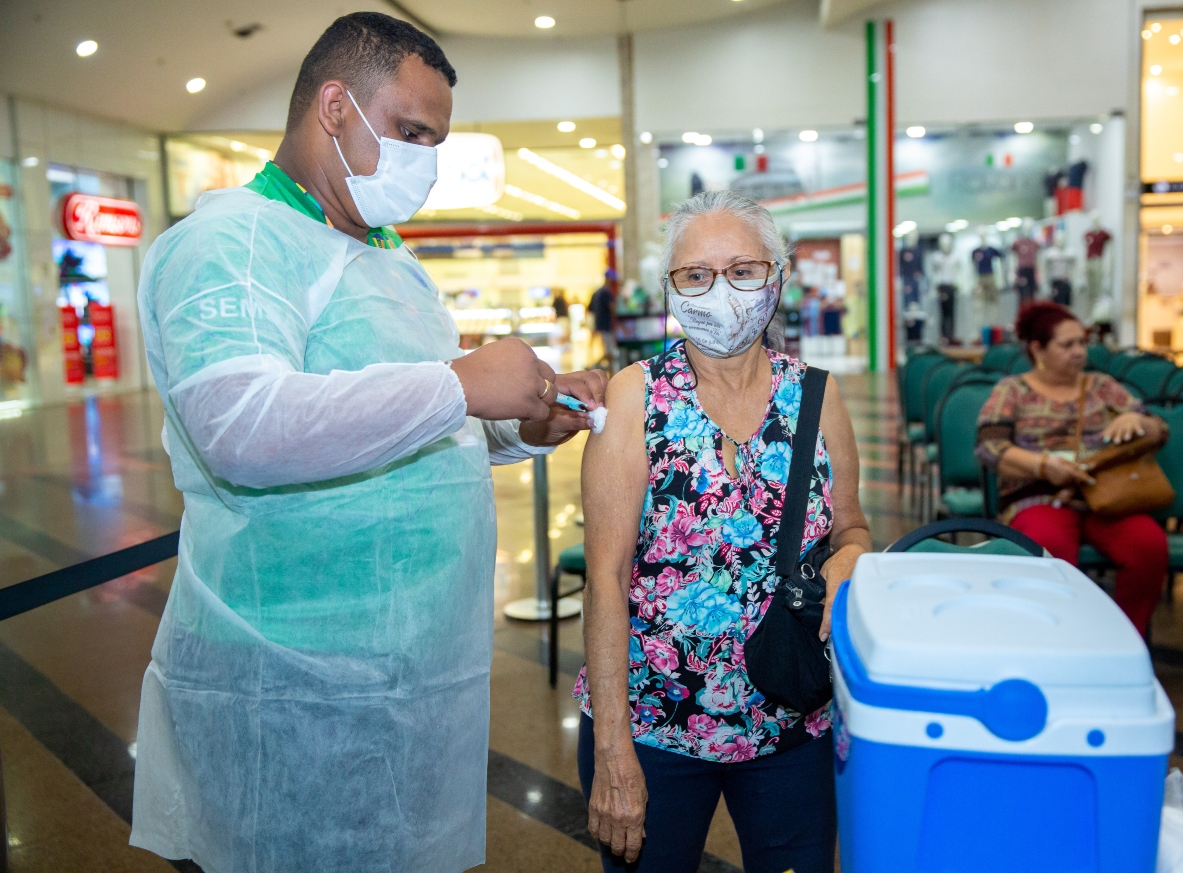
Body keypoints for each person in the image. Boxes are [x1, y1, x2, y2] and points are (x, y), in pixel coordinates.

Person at [127, 14, 607, 873]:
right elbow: (240, 424)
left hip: (411, 673)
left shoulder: (385, 256)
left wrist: (522, 422)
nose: (425, 160)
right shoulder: (231, 241)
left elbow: (410, 422)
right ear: (335, 106)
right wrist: (461, 382)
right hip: (285, 680)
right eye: (411, 132)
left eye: (436, 141)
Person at [574, 190, 873, 872]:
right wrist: (613, 748)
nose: (720, 292)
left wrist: (852, 554)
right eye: (695, 275)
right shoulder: (635, 397)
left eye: (743, 270)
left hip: (791, 720)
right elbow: (606, 579)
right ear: (670, 288)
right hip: (651, 723)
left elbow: (851, 526)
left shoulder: (818, 395)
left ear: (778, 277)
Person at [975, 302, 1167, 633]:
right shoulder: (1012, 391)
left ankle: (1123, 637)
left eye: (1082, 342)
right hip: (1039, 495)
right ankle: (1058, 636)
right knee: (1050, 547)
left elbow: (1159, 430)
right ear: (1038, 349)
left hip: (1104, 495)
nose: (1079, 352)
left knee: (1148, 545)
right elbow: (990, 448)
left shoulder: (1100, 386)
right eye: (1067, 345)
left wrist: (1136, 419)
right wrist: (1043, 466)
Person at [590, 268, 619, 370]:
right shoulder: (606, 292)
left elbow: (591, 310)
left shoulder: (597, 292)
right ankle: (595, 366)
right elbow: (612, 308)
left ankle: (605, 367)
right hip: (606, 324)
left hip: (600, 324)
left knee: (609, 349)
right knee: (611, 351)